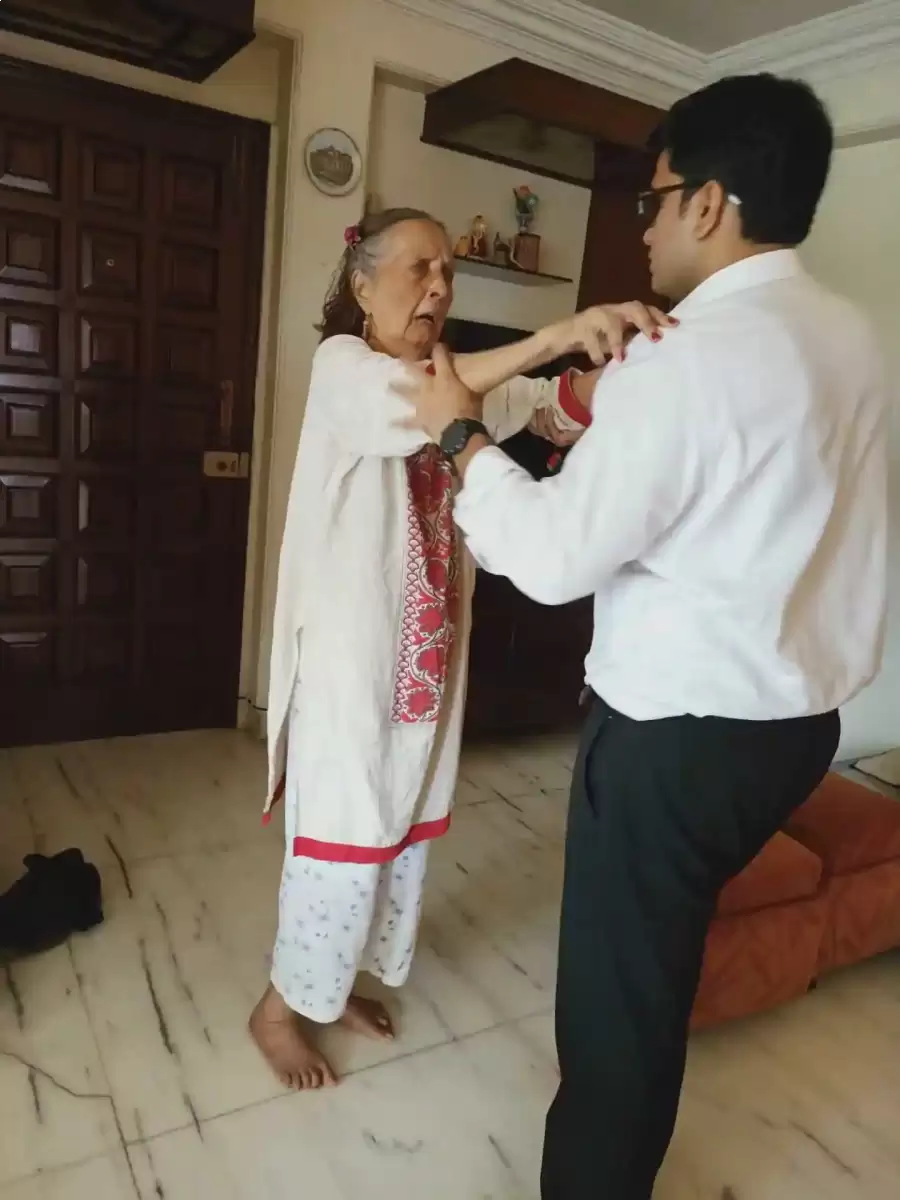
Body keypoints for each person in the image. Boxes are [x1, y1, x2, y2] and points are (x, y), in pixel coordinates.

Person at [403, 75, 887, 1198]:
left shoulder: (687, 356)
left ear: (709, 203)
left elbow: (552, 556)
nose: (647, 228)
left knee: (619, 1014)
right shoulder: (854, 337)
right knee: (658, 968)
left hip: (679, 743)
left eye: (652, 200)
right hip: (800, 729)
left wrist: (459, 436)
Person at [249, 206, 675, 1091]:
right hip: (350, 669)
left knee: (398, 832)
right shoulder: (344, 367)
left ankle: (335, 985)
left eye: (447, 270)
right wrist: (555, 333)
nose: (440, 285)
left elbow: (545, 410)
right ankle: (280, 1009)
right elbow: (427, 403)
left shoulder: (453, 376)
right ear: (362, 284)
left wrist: (627, 365)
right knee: (341, 839)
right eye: (419, 267)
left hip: (428, 663)